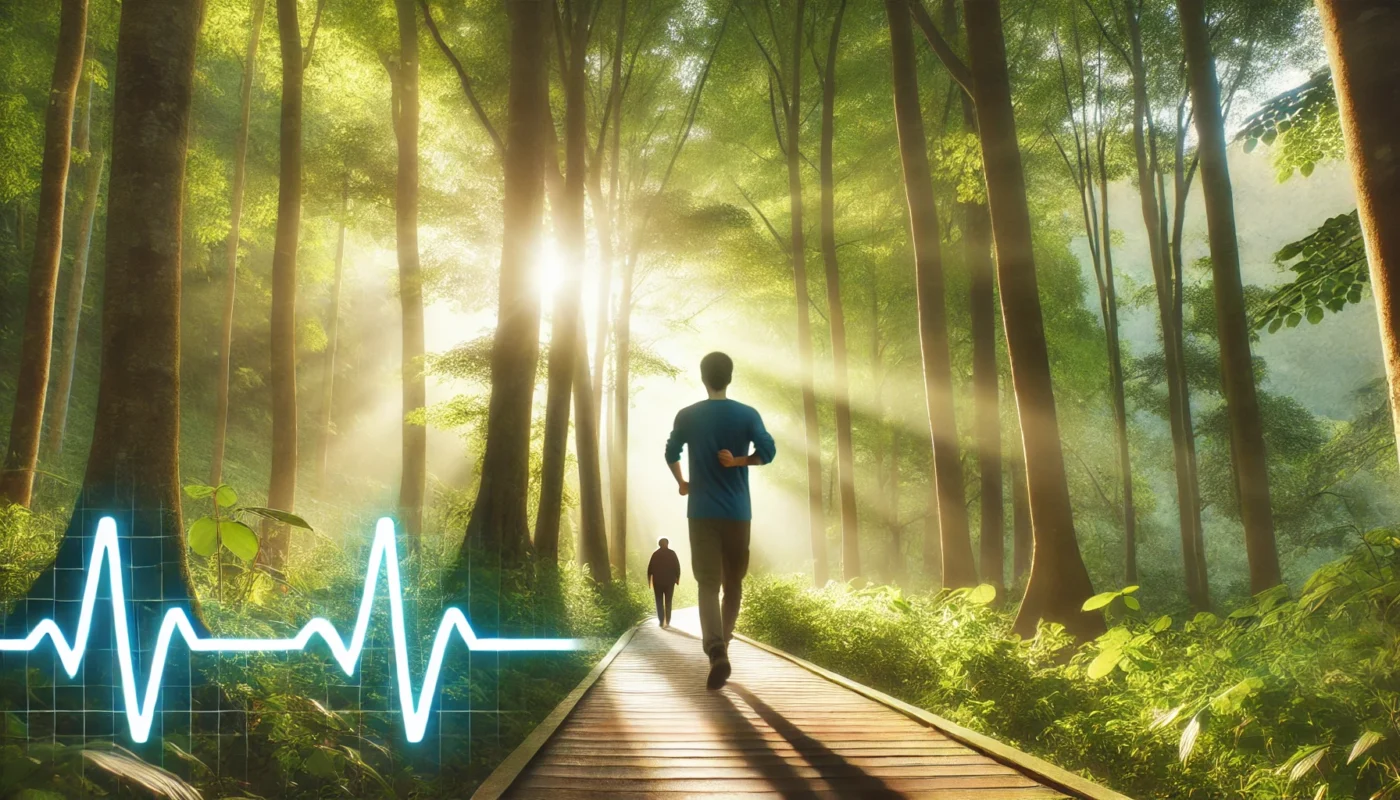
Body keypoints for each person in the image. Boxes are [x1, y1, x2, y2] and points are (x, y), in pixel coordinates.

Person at [664, 351, 776, 690]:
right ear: (729, 377)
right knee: (734, 585)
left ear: (703, 377)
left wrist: (682, 482)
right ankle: (723, 646)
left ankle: (715, 651)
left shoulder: (688, 415)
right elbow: (768, 451)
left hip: (701, 514)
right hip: (738, 514)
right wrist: (739, 460)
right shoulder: (747, 414)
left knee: (707, 584)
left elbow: (671, 452)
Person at [647, 538, 681, 628]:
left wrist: (649, 581)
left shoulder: (655, 554)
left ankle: (662, 621)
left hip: (658, 582)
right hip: (669, 582)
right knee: (668, 601)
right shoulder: (672, 554)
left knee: (659, 601)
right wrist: (677, 578)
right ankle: (667, 621)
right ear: (667, 544)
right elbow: (677, 567)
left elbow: (649, 569)